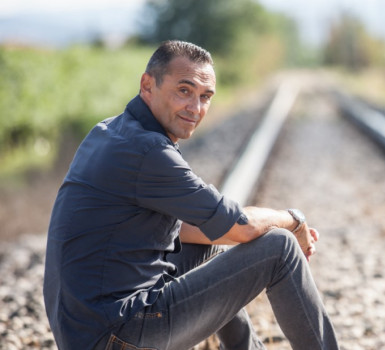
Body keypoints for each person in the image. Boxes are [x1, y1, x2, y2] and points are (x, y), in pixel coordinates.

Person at [43, 40, 338, 350]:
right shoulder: (149, 151)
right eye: (184, 90)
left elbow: (190, 228)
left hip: (86, 331)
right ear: (148, 85)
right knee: (279, 246)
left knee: (208, 245)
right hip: (117, 334)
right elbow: (241, 225)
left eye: (205, 96)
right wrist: (294, 220)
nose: (195, 108)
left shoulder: (110, 131)